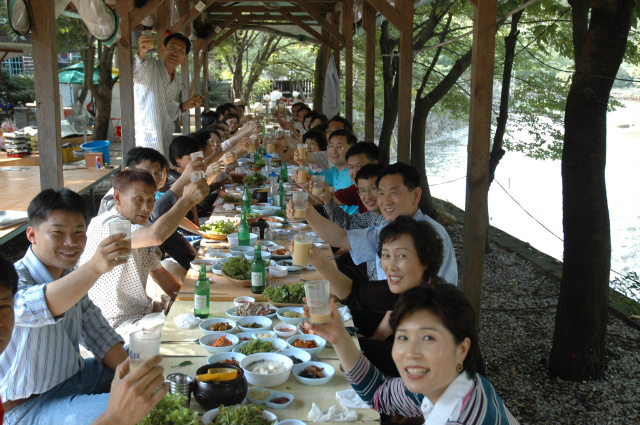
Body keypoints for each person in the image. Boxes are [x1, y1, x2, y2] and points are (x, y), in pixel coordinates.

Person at [309, 284, 519, 424]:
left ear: (461, 349)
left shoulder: (460, 416)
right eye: (403, 337)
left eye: (428, 338)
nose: (411, 353)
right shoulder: (450, 381)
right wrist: (338, 337)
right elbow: (379, 393)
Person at [0, 254, 171, 425]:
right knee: (146, 409)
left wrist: (134, 376)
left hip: (74, 378)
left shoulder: (69, 274)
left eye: (78, 231)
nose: (70, 241)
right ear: (32, 234)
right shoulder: (20, 279)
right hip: (30, 407)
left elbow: (99, 334)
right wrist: (94, 267)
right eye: (58, 232)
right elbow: (41, 304)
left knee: (152, 354)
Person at [304, 216, 445, 376]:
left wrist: (364, 343)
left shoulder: (435, 303)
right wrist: (320, 262)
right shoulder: (409, 285)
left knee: (354, 350)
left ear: (425, 260)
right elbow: (353, 292)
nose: (390, 266)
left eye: (402, 256)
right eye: (386, 255)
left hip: (432, 378)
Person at [80, 169, 209, 341]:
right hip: (114, 325)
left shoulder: (137, 228)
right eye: (138, 200)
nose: (146, 208)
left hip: (142, 312)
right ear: (117, 197)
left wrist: (193, 300)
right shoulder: (107, 225)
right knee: (187, 329)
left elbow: (161, 275)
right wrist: (186, 201)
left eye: (150, 201)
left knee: (198, 314)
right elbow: (155, 236)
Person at [300, 162, 458, 283]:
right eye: (381, 193)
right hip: (388, 301)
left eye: (394, 193)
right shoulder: (387, 226)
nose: (385, 201)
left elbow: (425, 294)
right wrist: (307, 211)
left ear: (416, 195)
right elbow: (341, 236)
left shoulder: (430, 233)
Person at [134, 33, 204, 156]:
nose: (175, 53)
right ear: (163, 49)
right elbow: (137, 76)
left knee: (162, 171)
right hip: (145, 137)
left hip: (165, 136)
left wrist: (184, 107)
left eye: (180, 51)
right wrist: (142, 51)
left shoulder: (176, 81)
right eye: (172, 48)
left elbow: (170, 114)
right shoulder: (150, 66)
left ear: (184, 57)